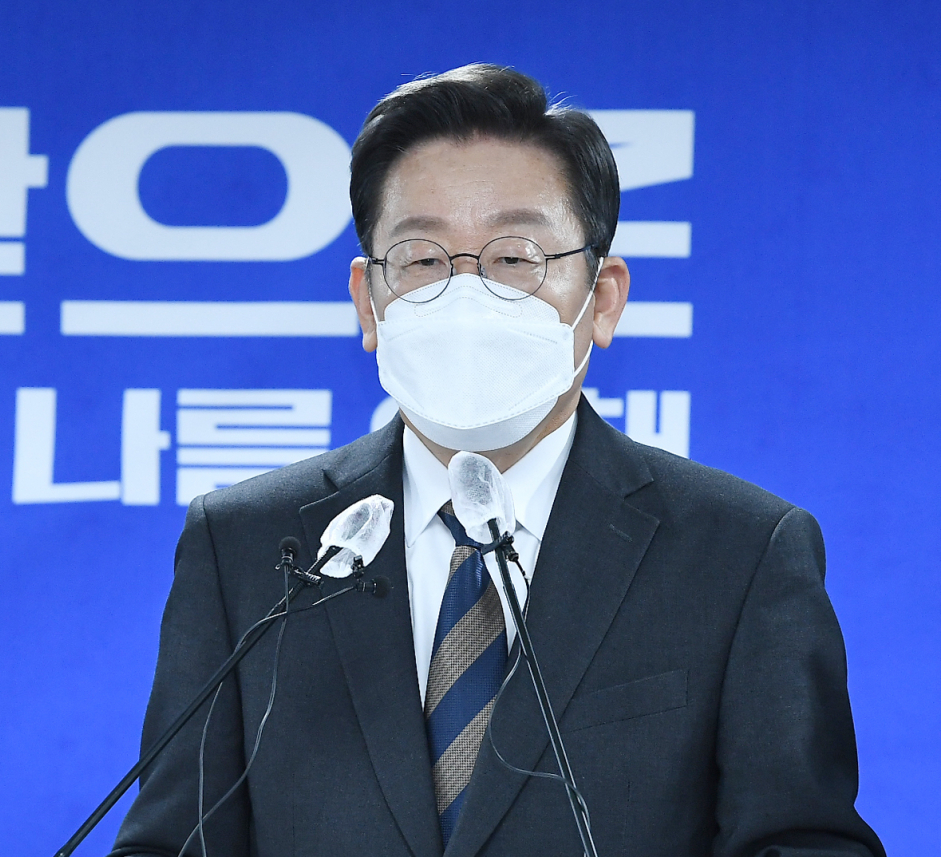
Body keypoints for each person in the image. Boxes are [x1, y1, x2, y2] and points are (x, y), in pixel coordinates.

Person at [109, 64, 884, 857]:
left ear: (604, 297)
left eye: (515, 257)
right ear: (367, 301)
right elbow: (171, 841)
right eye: (421, 259)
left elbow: (802, 843)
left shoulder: (740, 551)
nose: (466, 296)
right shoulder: (245, 544)